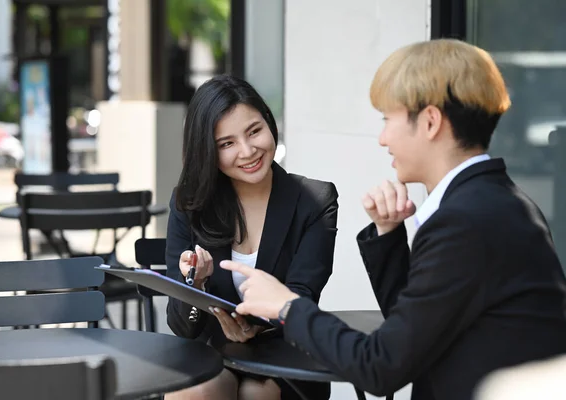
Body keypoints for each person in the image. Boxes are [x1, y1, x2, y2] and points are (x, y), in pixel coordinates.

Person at [220, 39, 566, 400]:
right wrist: (388, 235)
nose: (383, 138)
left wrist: (286, 306)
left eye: (388, 119)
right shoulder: (490, 204)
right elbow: (416, 333)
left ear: (430, 122)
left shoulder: (468, 221)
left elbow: (381, 366)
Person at [164, 75, 339, 400]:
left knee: (256, 395)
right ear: (208, 151)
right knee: (191, 393)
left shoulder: (315, 200)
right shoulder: (189, 204)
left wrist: (258, 324)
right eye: (226, 144)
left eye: (254, 131)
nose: (247, 151)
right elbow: (182, 326)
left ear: (269, 123)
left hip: (287, 353)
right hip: (215, 351)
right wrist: (194, 284)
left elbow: (302, 295)